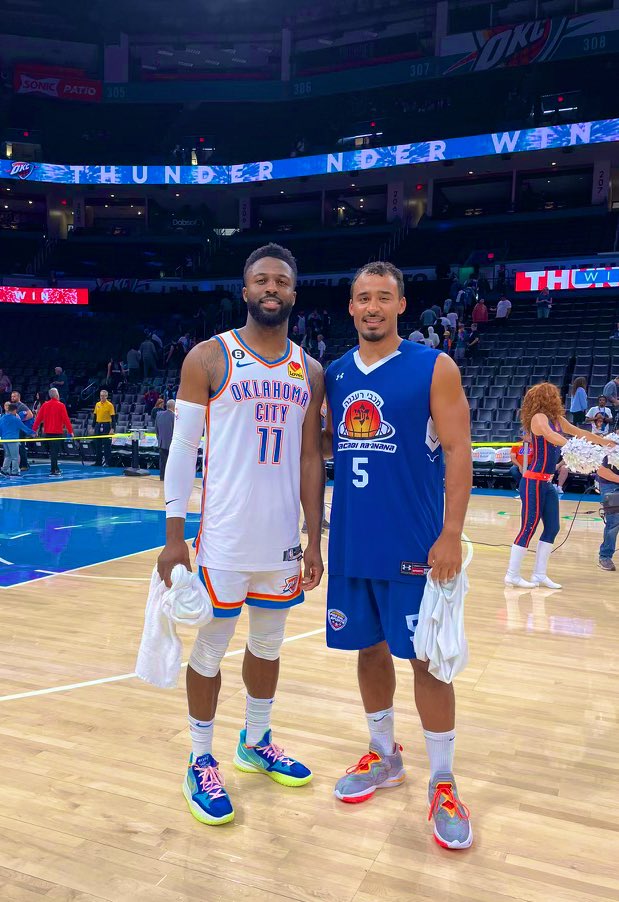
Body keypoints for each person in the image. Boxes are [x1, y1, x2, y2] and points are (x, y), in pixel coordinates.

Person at [157, 243, 325, 827]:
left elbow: (310, 460)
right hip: (223, 537)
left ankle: (255, 740)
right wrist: (174, 533)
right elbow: (182, 449)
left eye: (282, 279)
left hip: (280, 540)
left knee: (270, 645)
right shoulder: (210, 357)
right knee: (209, 647)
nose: (271, 287)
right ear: (245, 289)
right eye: (261, 279)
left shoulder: (312, 370)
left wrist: (314, 540)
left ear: (294, 292)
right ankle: (200, 758)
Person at [323, 260, 474, 850]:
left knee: (427, 661)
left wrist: (452, 533)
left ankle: (443, 779)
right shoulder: (334, 373)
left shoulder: (434, 367)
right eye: (363, 298)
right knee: (368, 650)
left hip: (416, 544)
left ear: (401, 306)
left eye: (384, 298)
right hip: (354, 543)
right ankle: (384, 754)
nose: (372, 308)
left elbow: (459, 452)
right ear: (351, 307)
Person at [504, 383, 615, 589]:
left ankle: (539, 574)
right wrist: (573, 447)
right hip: (532, 481)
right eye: (553, 396)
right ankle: (512, 574)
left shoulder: (557, 419)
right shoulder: (539, 418)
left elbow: (577, 431)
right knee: (528, 527)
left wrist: (603, 442)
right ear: (546, 398)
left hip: (547, 483)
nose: (557, 399)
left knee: (553, 527)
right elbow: (550, 435)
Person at [33, 388, 74, 476]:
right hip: (57, 433)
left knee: (52, 452)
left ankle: (55, 468)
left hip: (47, 433)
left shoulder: (44, 405)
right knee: (54, 452)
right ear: (56, 395)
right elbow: (66, 419)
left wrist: (34, 430)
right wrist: (70, 431)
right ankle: (54, 469)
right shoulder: (61, 405)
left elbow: (38, 419)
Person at [597, 456, 619, 571]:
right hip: (611, 484)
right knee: (614, 521)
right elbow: (602, 471)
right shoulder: (612, 445)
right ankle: (605, 556)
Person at [0, 403, 34, 477]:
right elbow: (24, 428)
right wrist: (33, 433)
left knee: (8, 456)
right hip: (13, 440)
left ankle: (4, 470)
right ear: (15, 410)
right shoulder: (15, 419)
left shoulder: (2, 418)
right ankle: (14, 472)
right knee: (15, 457)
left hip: (4, 440)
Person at [92, 389, 116, 467]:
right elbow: (95, 416)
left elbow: (113, 418)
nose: (102, 397)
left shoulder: (110, 405)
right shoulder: (97, 404)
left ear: (106, 396)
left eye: (103, 396)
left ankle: (108, 462)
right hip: (98, 425)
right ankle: (98, 462)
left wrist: (112, 428)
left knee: (106, 445)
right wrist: (93, 426)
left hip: (106, 425)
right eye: (101, 395)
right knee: (97, 444)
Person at [10, 390, 34, 471]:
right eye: (12, 396)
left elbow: (30, 415)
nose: (12, 398)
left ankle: (24, 464)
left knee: (21, 447)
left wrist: (20, 421)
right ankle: (19, 464)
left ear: (18, 397)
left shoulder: (22, 406)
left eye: (14, 396)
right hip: (14, 430)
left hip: (20, 430)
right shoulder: (12, 406)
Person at [155, 399, 175, 481]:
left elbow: (156, 429)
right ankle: (170, 478)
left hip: (161, 442)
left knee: (163, 462)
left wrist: (159, 439)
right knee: (171, 462)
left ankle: (162, 477)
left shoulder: (158, 415)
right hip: (171, 443)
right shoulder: (174, 416)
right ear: (174, 407)